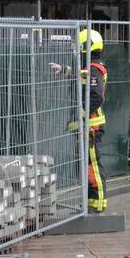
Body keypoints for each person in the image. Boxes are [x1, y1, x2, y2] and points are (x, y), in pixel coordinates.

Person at [52, 29, 108, 213]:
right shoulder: (91, 67)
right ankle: (89, 202)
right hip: (86, 126)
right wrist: (63, 70)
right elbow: (81, 75)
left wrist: (82, 114)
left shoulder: (94, 69)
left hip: (91, 127)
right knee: (85, 165)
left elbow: (97, 96)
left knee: (92, 166)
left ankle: (97, 203)